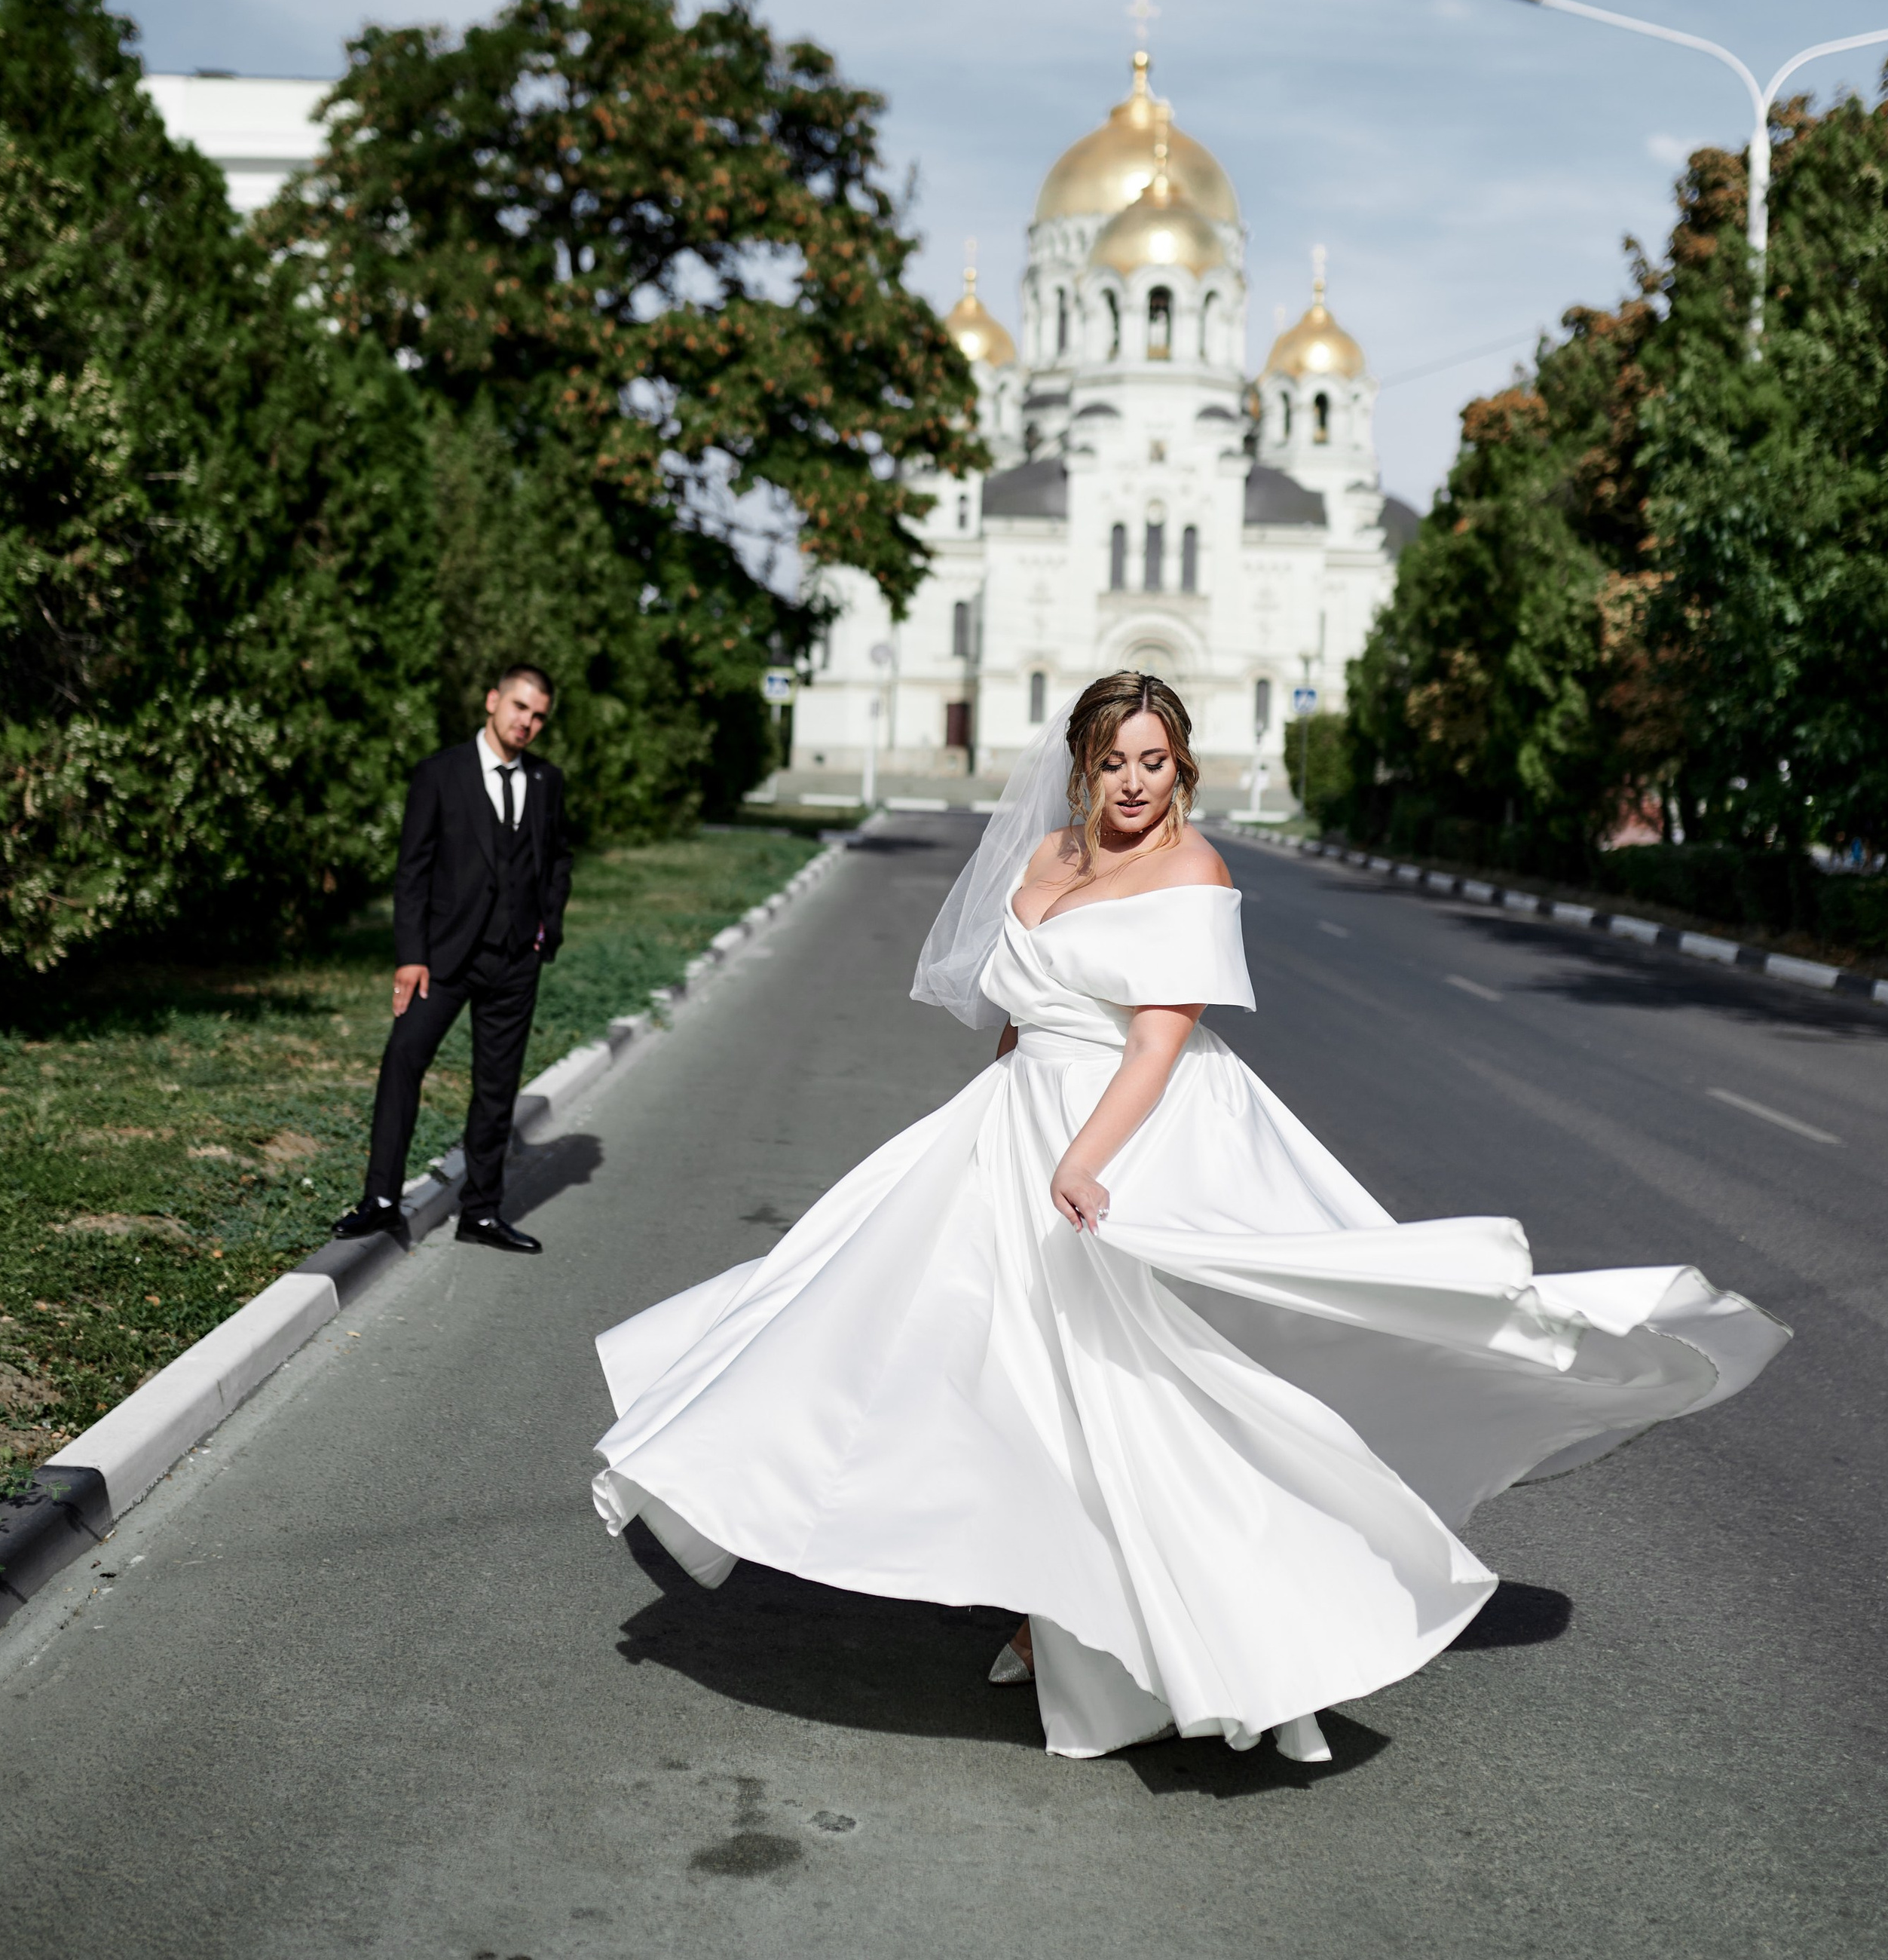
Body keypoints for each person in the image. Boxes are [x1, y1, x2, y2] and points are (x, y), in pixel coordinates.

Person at [591, 672, 1785, 1760]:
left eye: (1154, 761)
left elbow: (1157, 1041)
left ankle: (1172, 1628)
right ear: (1084, 763)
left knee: (1137, 1384)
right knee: (964, 1358)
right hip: (1012, 1123)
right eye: (1114, 761)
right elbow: (1018, 1012)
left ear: (1184, 769)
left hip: (1129, 1137)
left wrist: (1084, 1158)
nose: (1132, 782)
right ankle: (1039, 1601)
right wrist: (1007, 1111)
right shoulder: (1047, 856)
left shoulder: (1193, 870)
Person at [334, 664, 573, 1257]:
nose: (527, 722)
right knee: (403, 1059)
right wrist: (410, 957)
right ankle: (382, 1200)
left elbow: (558, 860)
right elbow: (412, 872)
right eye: (520, 706)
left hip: (516, 958)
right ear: (492, 700)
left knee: (497, 1087)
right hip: (442, 959)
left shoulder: (547, 780)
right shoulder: (440, 773)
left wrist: (548, 928)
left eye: (539, 715)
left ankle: (483, 1212)